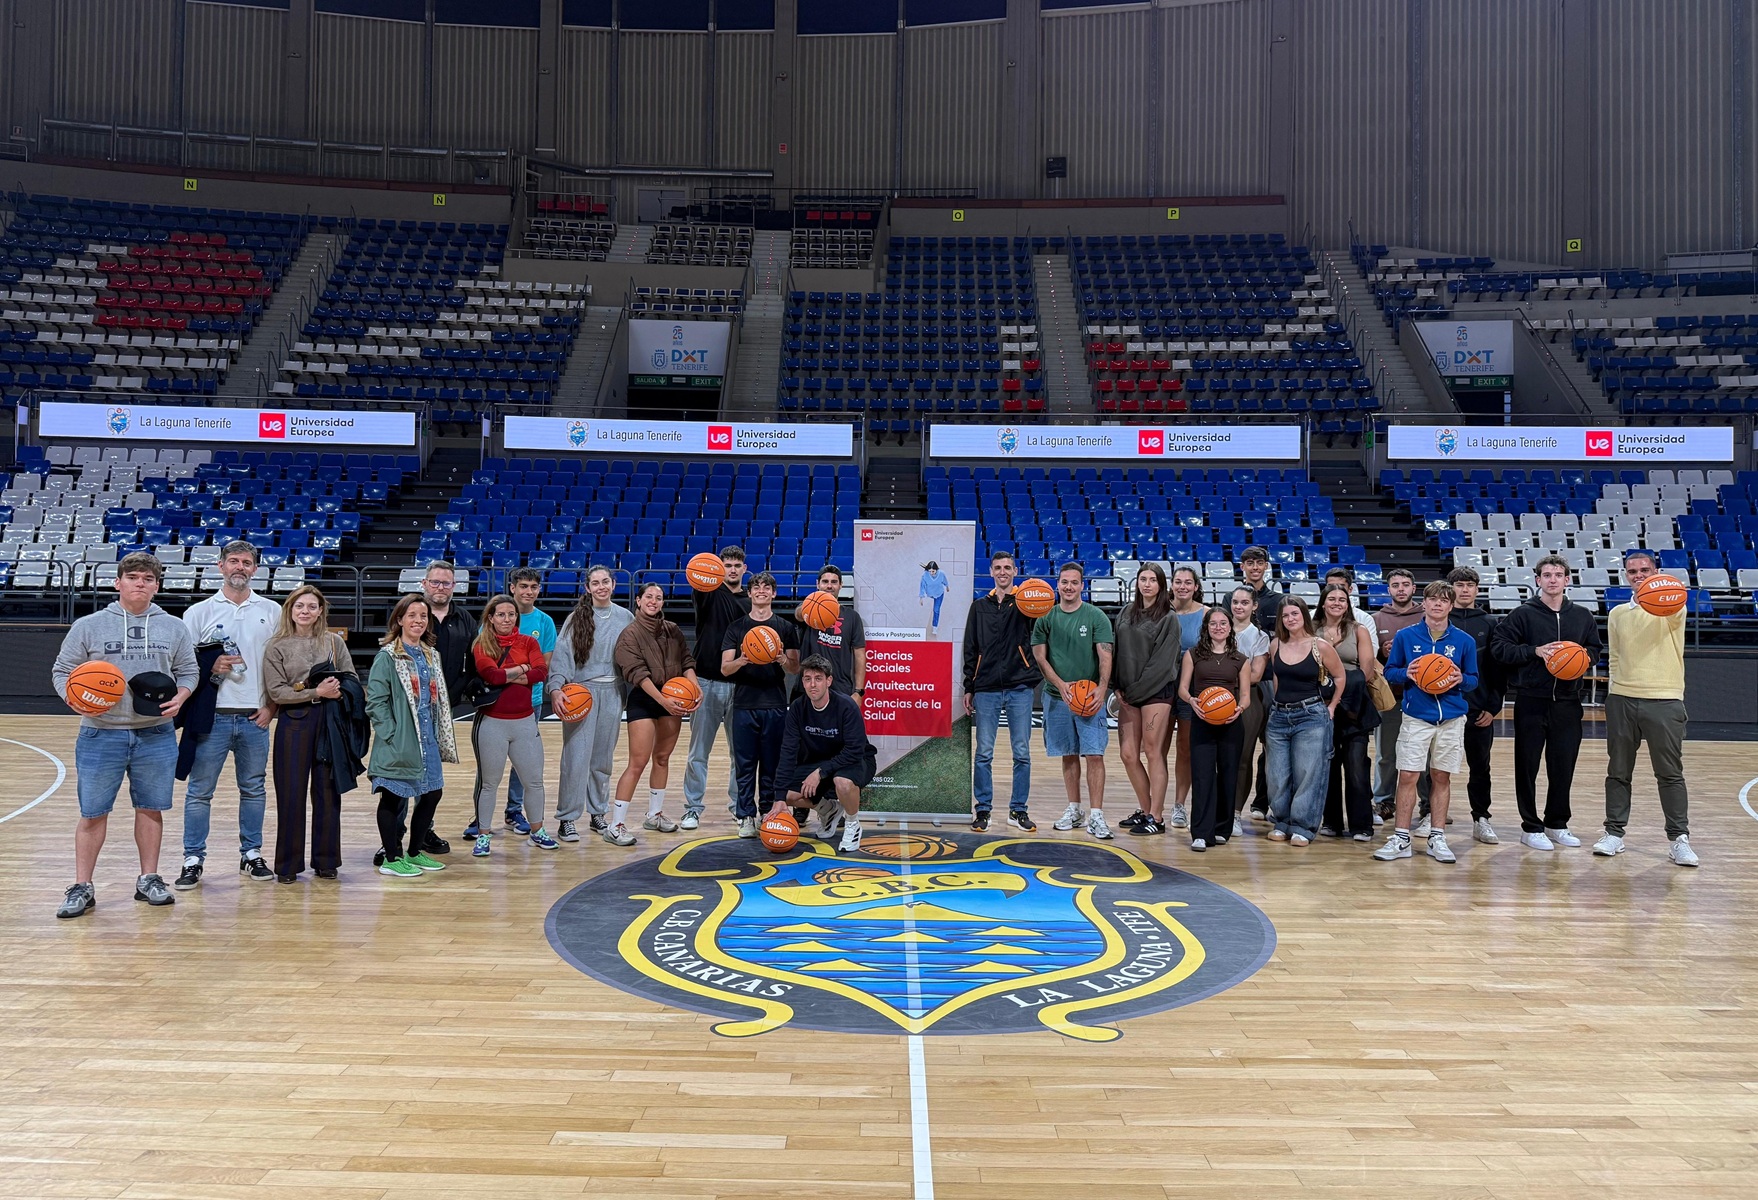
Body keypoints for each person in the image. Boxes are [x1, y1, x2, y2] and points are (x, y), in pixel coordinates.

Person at [50, 552, 198, 918]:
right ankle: (82, 886)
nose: (140, 583)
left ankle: (149, 878)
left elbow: (189, 671)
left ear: (157, 586)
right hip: (101, 733)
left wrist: (182, 695)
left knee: (150, 809)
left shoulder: (174, 627)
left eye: (148, 579)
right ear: (117, 583)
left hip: (156, 733)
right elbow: (62, 670)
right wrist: (74, 699)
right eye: (132, 577)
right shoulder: (89, 625)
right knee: (92, 813)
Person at [175, 539, 281, 889]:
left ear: (255, 569)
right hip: (212, 716)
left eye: (246, 562)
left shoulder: (273, 611)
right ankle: (193, 858)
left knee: (253, 789)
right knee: (200, 791)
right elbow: (182, 666)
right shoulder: (198, 613)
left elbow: (279, 666)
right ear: (220, 566)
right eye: (233, 561)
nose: (240, 567)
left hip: (255, 716)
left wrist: (271, 707)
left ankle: (251, 854)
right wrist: (211, 669)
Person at [1490, 554, 1601, 851]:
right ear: (1538, 580)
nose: (1553, 579)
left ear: (1568, 580)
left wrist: (1581, 658)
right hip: (1531, 700)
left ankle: (1556, 823)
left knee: (1562, 765)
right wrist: (1533, 651)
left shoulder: (1582, 616)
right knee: (1527, 766)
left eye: (1558, 574)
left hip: (1567, 701)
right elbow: (1499, 648)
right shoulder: (1523, 614)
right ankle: (1530, 826)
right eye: (1547, 575)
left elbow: (1595, 650)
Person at [1595, 550, 1696, 866]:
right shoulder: (1617, 614)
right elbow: (1614, 655)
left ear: (1656, 571)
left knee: (1669, 773)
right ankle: (1614, 833)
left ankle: (1679, 839)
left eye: (1644, 570)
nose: (1638, 575)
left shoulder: (1671, 607)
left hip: (1664, 700)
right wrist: (1613, 691)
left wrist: (1665, 587)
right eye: (1632, 571)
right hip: (1622, 699)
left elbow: (1675, 599)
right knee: (1618, 771)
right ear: (1625, 575)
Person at [1374, 581, 1478, 865]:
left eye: (1444, 600)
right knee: (1408, 775)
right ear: (1425, 603)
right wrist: (1407, 671)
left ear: (1451, 605)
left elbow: (1473, 680)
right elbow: (1391, 673)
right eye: (1432, 599)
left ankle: (1437, 836)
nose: (1437, 604)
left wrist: (1461, 679)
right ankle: (1401, 837)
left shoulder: (1464, 641)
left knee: (1441, 777)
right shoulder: (1407, 637)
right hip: (1416, 716)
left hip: (1452, 718)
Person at [261, 584, 356, 883]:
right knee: (290, 793)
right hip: (294, 723)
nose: (305, 611)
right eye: (300, 606)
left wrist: (337, 692)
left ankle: (327, 861)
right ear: (290, 609)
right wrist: (316, 691)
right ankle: (288, 866)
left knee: (328, 792)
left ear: (320, 612)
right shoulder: (276, 645)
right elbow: (277, 691)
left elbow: (351, 677)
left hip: (330, 722)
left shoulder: (333, 642)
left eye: (312, 607)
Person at [364, 594, 458, 879]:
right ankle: (392, 858)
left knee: (431, 793)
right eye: (412, 615)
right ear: (400, 620)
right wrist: (392, 733)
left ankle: (415, 852)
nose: (418, 620)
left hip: (426, 738)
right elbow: (376, 702)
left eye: (423, 616)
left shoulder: (430, 654)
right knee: (393, 798)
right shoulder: (387, 656)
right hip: (399, 740)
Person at [547, 566, 633, 841]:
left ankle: (598, 813)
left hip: (613, 693)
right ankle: (568, 818)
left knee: (602, 759)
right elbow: (561, 658)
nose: (601, 587)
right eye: (595, 583)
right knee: (575, 758)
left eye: (605, 582)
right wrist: (556, 688)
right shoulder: (576, 619)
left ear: (613, 583)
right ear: (587, 588)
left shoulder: (625, 617)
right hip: (581, 693)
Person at [467, 593, 556, 856]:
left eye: (511, 614)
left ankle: (538, 830)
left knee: (534, 782)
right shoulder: (482, 643)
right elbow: (490, 676)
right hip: (492, 723)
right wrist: (522, 669)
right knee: (489, 784)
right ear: (491, 618)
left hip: (525, 722)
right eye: (501, 614)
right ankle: (483, 835)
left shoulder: (528, 641)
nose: (507, 619)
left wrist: (510, 674)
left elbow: (540, 673)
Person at [1033, 562, 1116, 840]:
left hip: (1089, 697)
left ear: (1083, 586)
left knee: (1094, 754)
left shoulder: (1096, 616)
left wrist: (1102, 688)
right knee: (1068, 754)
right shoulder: (1045, 617)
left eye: (1074, 582)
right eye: (1064, 582)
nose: (1069, 587)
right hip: (1057, 698)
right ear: (1058, 585)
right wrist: (1061, 685)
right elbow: (1040, 657)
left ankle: (1097, 816)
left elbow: (1105, 655)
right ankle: (1074, 809)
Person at [611, 582, 697, 843]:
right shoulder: (629, 634)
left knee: (662, 758)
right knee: (637, 762)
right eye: (649, 596)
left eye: (658, 598)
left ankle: (654, 814)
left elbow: (686, 661)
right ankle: (616, 825)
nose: (654, 601)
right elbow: (637, 673)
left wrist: (693, 686)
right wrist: (664, 701)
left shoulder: (672, 630)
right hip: (646, 699)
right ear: (638, 600)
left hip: (673, 698)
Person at [964, 550, 1040, 833]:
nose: (1003, 572)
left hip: (1020, 686)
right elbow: (970, 649)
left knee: (1022, 753)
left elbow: (1039, 638)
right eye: (998, 568)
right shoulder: (978, 607)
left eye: (1008, 567)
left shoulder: (1026, 604)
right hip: (985, 688)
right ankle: (983, 810)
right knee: (984, 752)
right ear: (991, 572)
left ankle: (1018, 810)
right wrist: (969, 686)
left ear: (1015, 571)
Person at [722, 571, 802, 838]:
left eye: (766, 587)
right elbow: (725, 669)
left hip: (775, 704)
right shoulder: (736, 627)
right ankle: (745, 815)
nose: (761, 591)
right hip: (744, 704)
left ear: (773, 594)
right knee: (745, 765)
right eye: (756, 587)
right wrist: (744, 659)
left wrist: (779, 658)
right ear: (750, 593)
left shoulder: (785, 627)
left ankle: (769, 812)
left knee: (771, 765)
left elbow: (794, 668)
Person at [1264, 596, 1343, 846]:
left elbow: (1340, 677)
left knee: (1308, 773)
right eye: (1286, 616)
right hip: (1279, 716)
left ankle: (1303, 826)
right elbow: (1277, 679)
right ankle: (1282, 821)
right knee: (1277, 775)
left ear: (1304, 616)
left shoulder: (1320, 646)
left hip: (1311, 716)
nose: (1290, 619)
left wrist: (1331, 707)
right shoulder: (1275, 645)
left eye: (1295, 614)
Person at [778, 654, 875, 854]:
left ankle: (852, 824)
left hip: (855, 759)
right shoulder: (797, 708)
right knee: (785, 793)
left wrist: (820, 772)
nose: (813, 684)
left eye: (818, 678)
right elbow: (788, 751)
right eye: (807, 679)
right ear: (802, 682)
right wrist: (779, 798)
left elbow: (854, 750)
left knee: (843, 782)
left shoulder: (846, 705)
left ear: (829, 681)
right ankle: (828, 810)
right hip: (821, 762)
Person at [683, 546, 750, 826]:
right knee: (698, 751)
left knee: (741, 753)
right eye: (727, 565)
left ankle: (739, 807)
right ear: (718, 568)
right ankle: (693, 808)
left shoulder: (752, 601)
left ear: (744, 569)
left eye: (737, 565)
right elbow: (696, 573)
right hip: (706, 682)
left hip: (741, 685)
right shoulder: (707, 592)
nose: (732, 569)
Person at [1113, 564, 1180, 837]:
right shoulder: (1125, 612)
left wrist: (1134, 692)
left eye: (1153, 580)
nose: (1147, 584)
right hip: (1128, 693)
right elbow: (1116, 652)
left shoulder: (1169, 617)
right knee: (1128, 754)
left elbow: (1163, 665)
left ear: (1162, 585)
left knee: (1153, 752)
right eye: (1143, 579)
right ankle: (1145, 809)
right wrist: (1117, 686)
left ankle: (1158, 816)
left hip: (1155, 693)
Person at [1177, 606, 1251, 851]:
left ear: (1230, 627)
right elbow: (1183, 689)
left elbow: (1246, 697)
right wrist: (1192, 701)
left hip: (1230, 723)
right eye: (1213, 624)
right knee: (1202, 775)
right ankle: (1200, 832)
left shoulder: (1240, 659)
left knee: (1229, 775)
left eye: (1223, 623)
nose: (1218, 627)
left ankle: (1221, 829)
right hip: (1202, 720)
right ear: (1206, 628)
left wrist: (1238, 709)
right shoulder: (1193, 654)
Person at [493, 567, 557, 836]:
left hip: (530, 703)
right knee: (490, 762)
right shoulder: (497, 618)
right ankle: (479, 816)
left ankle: (513, 811)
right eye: (523, 586)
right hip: (495, 702)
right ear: (512, 588)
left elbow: (542, 668)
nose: (528, 591)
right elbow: (488, 664)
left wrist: (507, 675)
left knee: (523, 761)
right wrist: (516, 672)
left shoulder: (545, 622)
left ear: (538, 590)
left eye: (533, 586)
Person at [1316, 583, 1381, 842]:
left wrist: (1341, 688)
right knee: (1328, 766)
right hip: (1322, 705)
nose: (1336, 603)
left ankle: (1361, 825)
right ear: (1323, 603)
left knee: (1356, 766)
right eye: (1331, 599)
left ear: (1348, 604)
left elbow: (1366, 670)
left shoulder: (1359, 630)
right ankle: (1331, 821)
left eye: (1342, 599)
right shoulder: (1312, 630)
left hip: (1355, 705)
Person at [417, 559, 471, 856]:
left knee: (433, 773)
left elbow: (475, 658)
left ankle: (425, 829)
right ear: (424, 584)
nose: (440, 588)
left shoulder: (463, 618)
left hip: (446, 707)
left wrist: (461, 691)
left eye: (446, 583)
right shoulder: (412, 613)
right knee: (408, 772)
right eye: (435, 582)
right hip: (412, 707)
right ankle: (397, 834)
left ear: (454, 586)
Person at [1447, 566, 1504, 844]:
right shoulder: (1439, 620)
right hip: (1444, 707)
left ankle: (1481, 818)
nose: (1465, 590)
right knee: (1435, 765)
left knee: (1480, 766)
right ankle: (1429, 813)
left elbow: (1497, 669)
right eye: (1459, 585)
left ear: (1477, 589)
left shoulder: (1490, 623)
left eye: (1470, 585)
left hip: (1479, 708)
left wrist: (1493, 707)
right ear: (1451, 589)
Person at [1371, 568, 1427, 819]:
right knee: (1386, 752)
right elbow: (1367, 658)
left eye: (1406, 584)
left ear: (1414, 589)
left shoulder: (1427, 616)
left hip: (1422, 695)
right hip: (1389, 695)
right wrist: (1383, 652)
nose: (1401, 589)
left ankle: (1427, 804)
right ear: (1389, 589)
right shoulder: (1377, 619)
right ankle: (1383, 801)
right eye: (1395, 585)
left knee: (1424, 753)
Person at [1226, 586, 1271, 835]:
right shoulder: (1219, 628)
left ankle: (1234, 813)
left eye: (1245, 602)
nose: (1239, 606)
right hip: (1217, 697)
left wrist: (1222, 673)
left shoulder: (1259, 636)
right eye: (1235, 602)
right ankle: (1215, 809)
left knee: (1243, 757)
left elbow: (1255, 675)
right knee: (1215, 759)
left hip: (1248, 698)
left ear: (1254, 606)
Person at [1165, 565, 1208, 828]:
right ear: (1171, 585)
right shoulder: (1160, 610)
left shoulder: (1206, 614)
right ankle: (1149, 804)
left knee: (1184, 748)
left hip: (1191, 689)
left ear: (1195, 586)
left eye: (1187, 582)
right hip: (1159, 685)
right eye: (1178, 581)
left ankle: (1179, 805)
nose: (1182, 586)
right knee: (1154, 749)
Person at [797, 565, 866, 701]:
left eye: (834, 582)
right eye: (825, 582)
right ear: (818, 584)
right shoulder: (809, 610)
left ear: (841, 585)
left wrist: (859, 691)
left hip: (840, 688)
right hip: (808, 688)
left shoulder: (852, 617)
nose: (829, 586)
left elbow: (860, 656)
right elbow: (798, 614)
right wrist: (815, 604)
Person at [919, 561, 949, 633]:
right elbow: (922, 586)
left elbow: (945, 580)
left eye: (933, 571)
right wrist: (921, 597)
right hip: (930, 593)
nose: (931, 573)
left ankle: (935, 626)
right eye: (930, 571)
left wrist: (947, 586)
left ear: (936, 570)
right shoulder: (925, 575)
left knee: (936, 610)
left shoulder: (941, 574)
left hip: (939, 594)